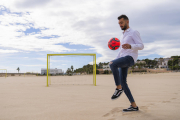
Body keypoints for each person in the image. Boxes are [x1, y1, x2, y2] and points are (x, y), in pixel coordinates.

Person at [109, 14, 144, 112]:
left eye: (121, 22)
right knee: (123, 82)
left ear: (127, 21)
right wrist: (115, 60)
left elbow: (141, 46)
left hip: (130, 58)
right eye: (119, 23)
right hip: (123, 58)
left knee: (112, 64)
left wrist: (130, 46)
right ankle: (134, 106)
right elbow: (120, 51)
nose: (120, 25)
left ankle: (118, 89)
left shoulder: (133, 32)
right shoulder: (122, 35)